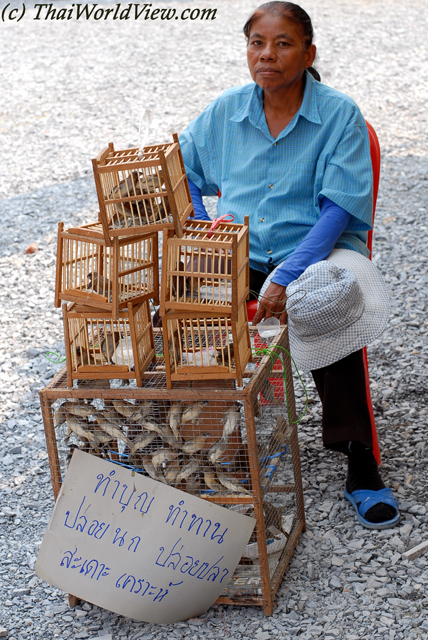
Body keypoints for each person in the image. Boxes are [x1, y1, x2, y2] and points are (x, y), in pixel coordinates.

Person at [179, 1, 399, 529]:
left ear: (308, 52)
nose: (267, 55)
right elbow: (181, 165)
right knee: (186, 306)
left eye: (282, 44)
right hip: (245, 248)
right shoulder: (225, 112)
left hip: (320, 250)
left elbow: (339, 209)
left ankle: (359, 458)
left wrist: (286, 276)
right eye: (257, 42)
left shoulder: (339, 114)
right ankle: (212, 446)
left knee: (325, 302)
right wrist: (206, 226)